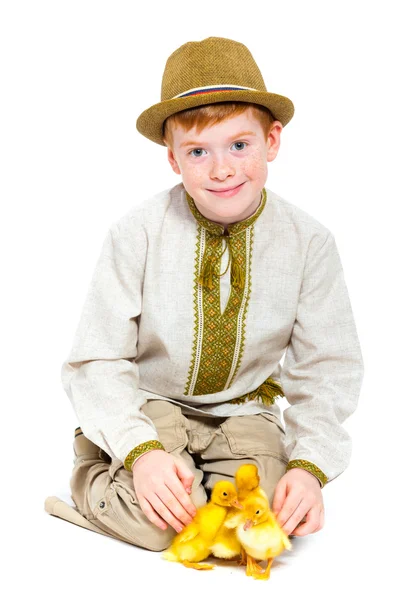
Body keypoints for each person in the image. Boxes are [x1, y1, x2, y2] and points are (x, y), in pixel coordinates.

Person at [44, 37, 364, 550]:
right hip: (150, 405)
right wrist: (142, 451)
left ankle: (204, 476)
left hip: (244, 413)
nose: (222, 169)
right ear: (173, 159)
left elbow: (329, 366)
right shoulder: (137, 234)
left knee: (262, 529)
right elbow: (97, 357)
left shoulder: (309, 242)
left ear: (273, 140)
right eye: (198, 151)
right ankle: (97, 466)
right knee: (166, 523)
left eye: (240, 144)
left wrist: (309, 468)